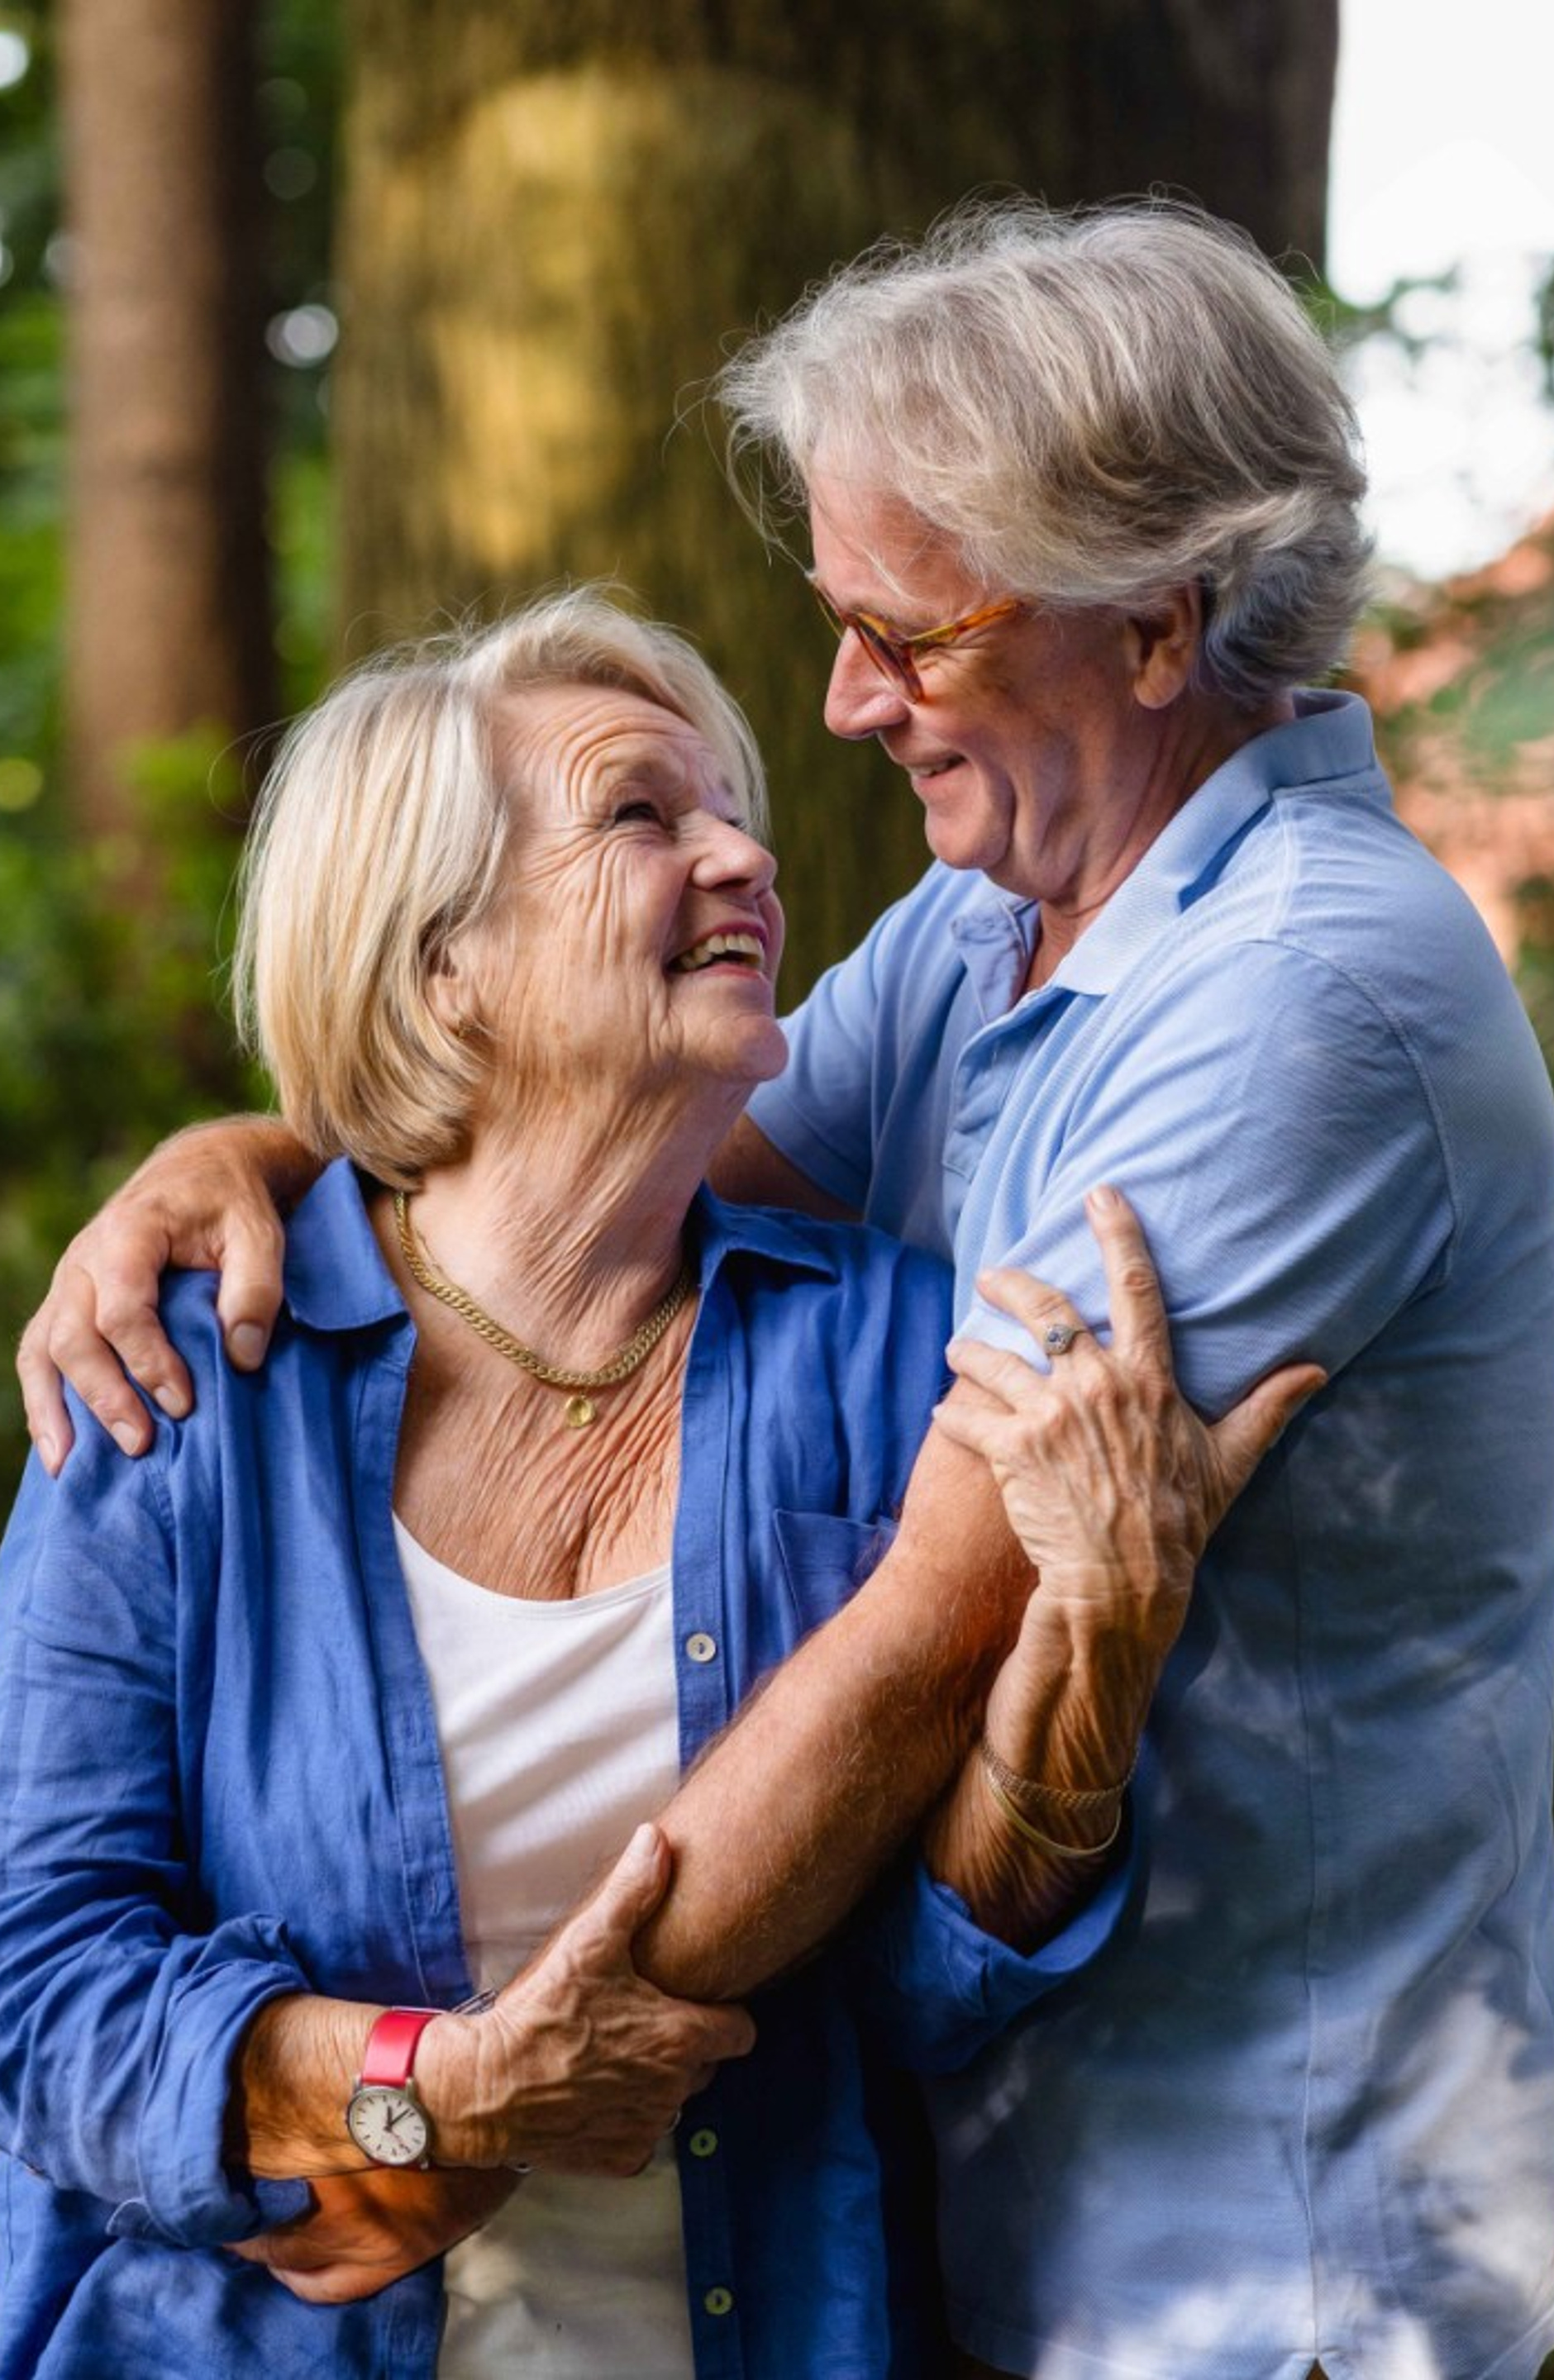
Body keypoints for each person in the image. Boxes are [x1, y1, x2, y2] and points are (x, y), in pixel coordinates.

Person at [18, 198, 1554, 2379]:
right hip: (1008, 2241)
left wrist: (442, 2127)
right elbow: (591, 1178)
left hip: (1272, 2244)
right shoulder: (991, 935)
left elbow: (939, 1624)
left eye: (911, 636)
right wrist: (254, 1155)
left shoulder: (1296, 995)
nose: (845, 711)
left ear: (1156, 625)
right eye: (839, 628)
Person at [0, 591, 1299, 2378]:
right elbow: (45, 1997)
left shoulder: (889, 1357)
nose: (745, 854)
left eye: (729, 808)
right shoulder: (183, 1381)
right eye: (641, 816)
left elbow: (925, 1998)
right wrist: (433, 2100)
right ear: (438, 956)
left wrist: (1098, 1656)